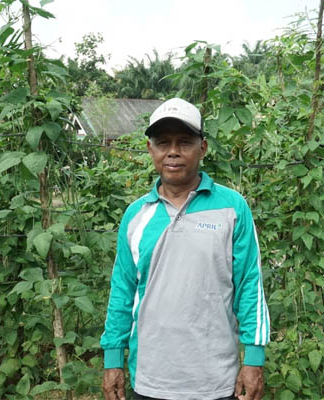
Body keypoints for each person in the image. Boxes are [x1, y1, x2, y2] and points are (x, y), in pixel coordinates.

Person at [100, 98, 270, 400]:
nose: (173, 152)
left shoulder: (232, 208)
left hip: (216, 380)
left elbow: (250, 285)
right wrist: (113, 358)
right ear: (151, 149)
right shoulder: (136, 215)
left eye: (185, 142)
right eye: (163, 143)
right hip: (150, 379)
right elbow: (121, 291)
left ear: (202, 148)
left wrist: (254, 358)